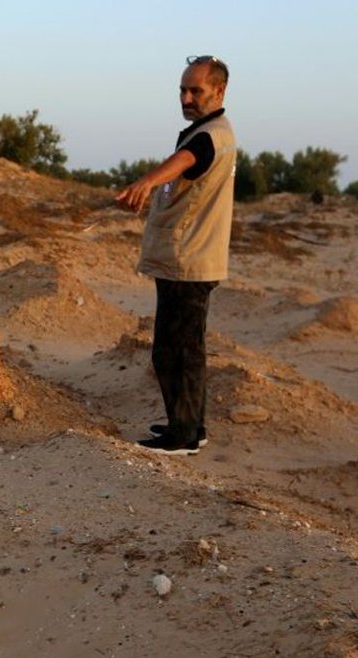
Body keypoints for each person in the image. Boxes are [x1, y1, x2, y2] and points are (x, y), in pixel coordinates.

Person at [115, 55, 236, 456]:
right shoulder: (208, 131)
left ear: (219, 91)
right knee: (188, 346)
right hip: (190, 257)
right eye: (183, 90)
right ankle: (190, 426)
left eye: (195, 90)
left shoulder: (209, 135)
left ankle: (181, 436)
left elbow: (186, 160)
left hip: (189, 259)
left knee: (173, 349)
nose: (186, 97)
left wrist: (147, 181)